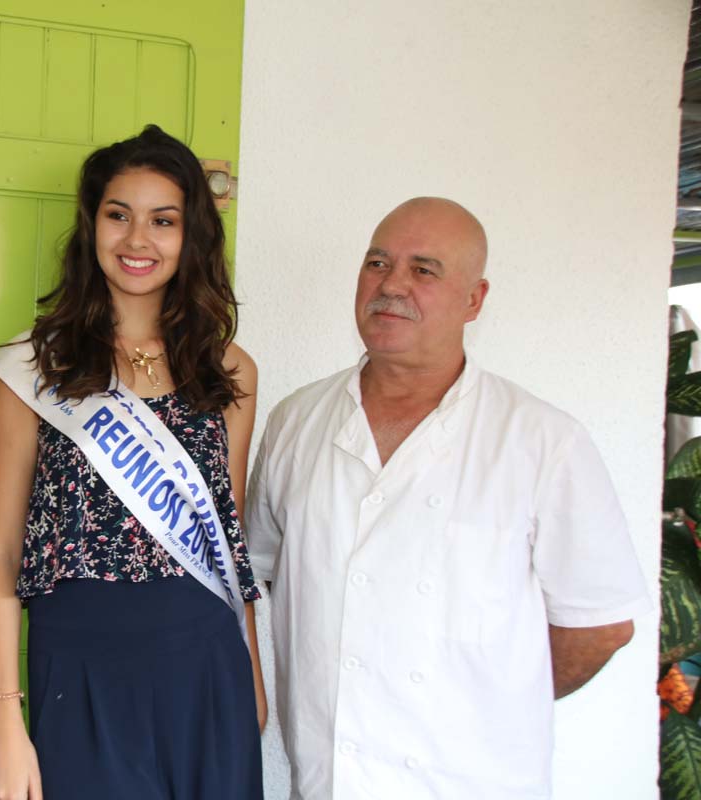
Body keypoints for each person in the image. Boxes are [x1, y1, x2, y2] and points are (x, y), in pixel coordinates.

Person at [246, 197, 651, 799]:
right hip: (330, 778)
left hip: (474, 781)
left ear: (475, 299)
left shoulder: (542, 439)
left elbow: (599, 626)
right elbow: (267, 570)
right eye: (377, 263)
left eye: (424, 270)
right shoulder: (296, 420)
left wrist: (495, 701)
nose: (392, 285)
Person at [0, 124, 266, 800]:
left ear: (189, 235)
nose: (138, 240)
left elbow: (228, 542)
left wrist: (252, 677)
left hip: (205, 665)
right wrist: (4, 719)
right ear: (92, 225)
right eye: (119, 215)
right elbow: (0, 554)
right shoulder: (36, 365)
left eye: (162, 221)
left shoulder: (230, 372)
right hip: (79, 666)